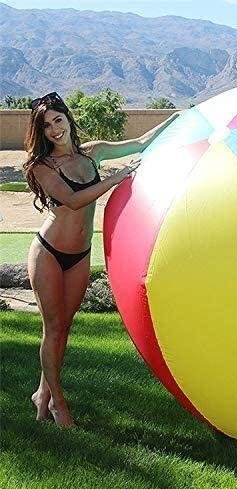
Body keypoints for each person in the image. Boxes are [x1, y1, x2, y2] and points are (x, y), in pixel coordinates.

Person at [23, 92, 179, 427]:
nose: (54, 129)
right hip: (48, 253)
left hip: (80, 254)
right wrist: (114, 179)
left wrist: (178, 119)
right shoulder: (42, 167)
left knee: (64, 328)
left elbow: (140, 143)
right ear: (41, 131)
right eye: (46, 126)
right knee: (53, 328)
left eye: (58, 120)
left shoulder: (93, 153)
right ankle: (57, 404)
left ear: (68, 119)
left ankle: (42, 393)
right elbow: (73, 200)